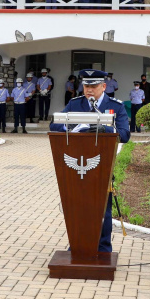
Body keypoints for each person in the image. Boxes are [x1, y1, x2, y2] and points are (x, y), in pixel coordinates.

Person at [49, 69, 130, 253]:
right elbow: (55, 124)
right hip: (76, 166)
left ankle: (102, 248)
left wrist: (103, 129)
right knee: (78, 206)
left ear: (103, 86)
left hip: (102, 166)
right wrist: (75, 126)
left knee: (103, 210)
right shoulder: (75, 103)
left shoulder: (116, 107)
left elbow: (125, 134)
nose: (89, 90)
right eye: (86, 86)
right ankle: (78, 244)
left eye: (93, 86)